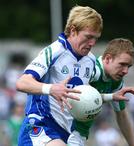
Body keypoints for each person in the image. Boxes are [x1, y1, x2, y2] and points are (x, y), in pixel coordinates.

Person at [16, 5, 103, 146]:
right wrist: (51, 89)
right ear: (73, 30)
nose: (92, 43)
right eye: (88, 37)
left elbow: (86, 96)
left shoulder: (91, 60)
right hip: (40, 126)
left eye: (96, 38)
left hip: (65, 132)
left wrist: (111, 96)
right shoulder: (54, 52)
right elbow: (22, 83)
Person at [67, 38, 134, 146]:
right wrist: (111, 96)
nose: (126, 71)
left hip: (79, 135)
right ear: (108, 58)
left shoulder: (115, 81)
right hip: (65, 130)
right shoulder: (91, 70)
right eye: (122, 64)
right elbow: (73, 96)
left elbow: (122, 116)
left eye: (128, 66)